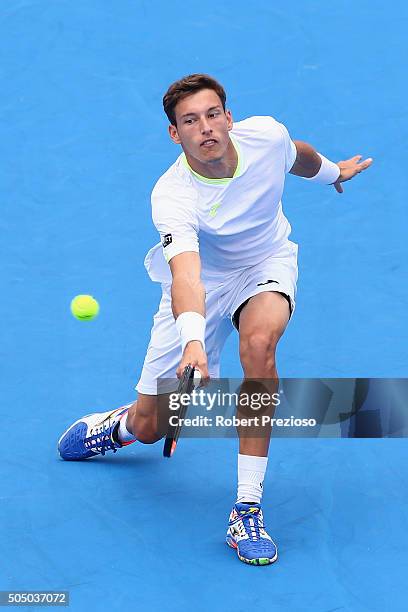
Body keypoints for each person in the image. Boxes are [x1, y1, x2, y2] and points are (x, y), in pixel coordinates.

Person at [58, 73, 372, 566]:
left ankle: (247, 507)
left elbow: (298, 154)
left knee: (261, 345)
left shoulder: (266, 136)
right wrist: (193, 340)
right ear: (174, 134)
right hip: (202, 283)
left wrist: (334, 173)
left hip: (265, 265)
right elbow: (185, 276)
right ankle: (121, 427)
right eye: (189, 121)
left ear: (228, 117)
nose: (204, 128)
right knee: (151, 425)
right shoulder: (172, 194)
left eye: (211, 115)